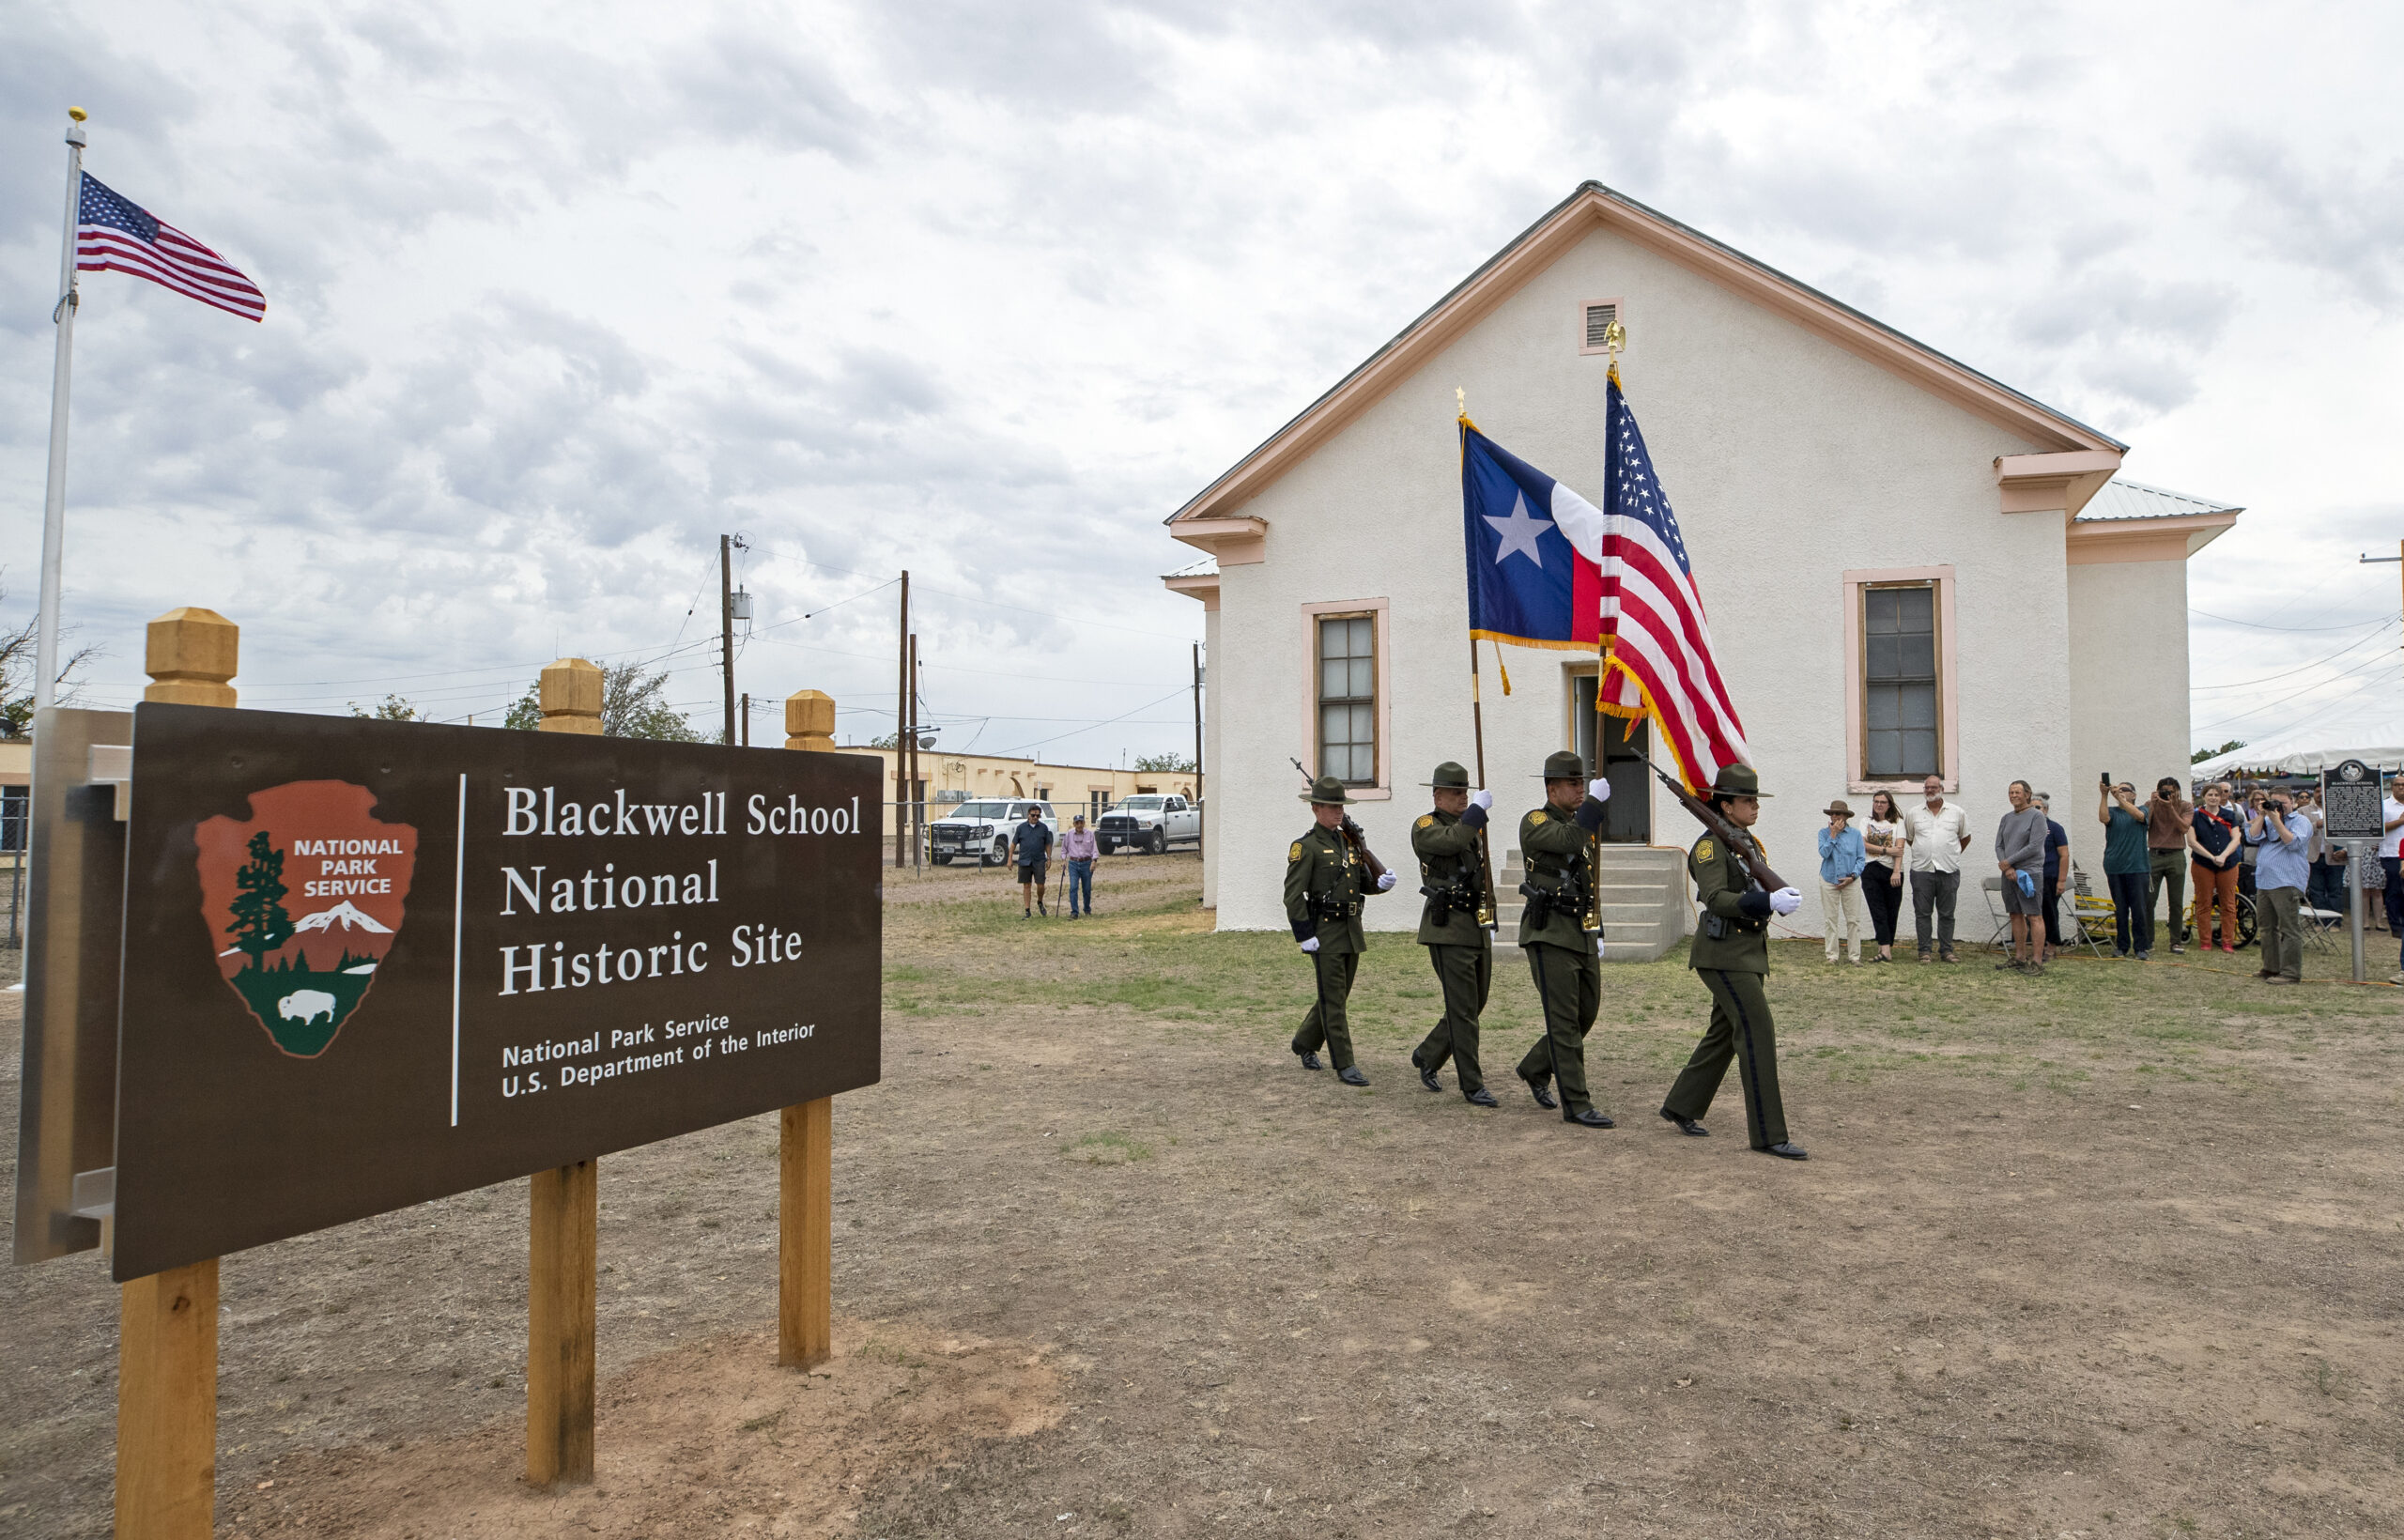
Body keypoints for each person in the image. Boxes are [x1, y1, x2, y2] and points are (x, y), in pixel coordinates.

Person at [1660, 764, 1807, 1159]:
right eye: (1747, 800)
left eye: (1756, 799)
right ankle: (1768, 1134)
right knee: (1758, 1033)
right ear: (1725, 806)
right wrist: (1767, 900)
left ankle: (1682, 1105)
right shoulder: (1709, 847)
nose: (1755, 806)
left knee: (1724, 1034)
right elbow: (1716, 898)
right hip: (1723, 954)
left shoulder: (1747, 842)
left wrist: (1775, 898)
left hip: (1746, 952)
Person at [1513, 750, 1615, 1129]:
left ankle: (1535, 1067)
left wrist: (1598, 926)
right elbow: (1571, 840)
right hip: (1550, 933)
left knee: (1585, 1013)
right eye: (1573, 783)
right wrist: (1593, 805)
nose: (1580, 789)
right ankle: (1577, 1102)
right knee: (1564, 1022)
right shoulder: (1537, 821)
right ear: (1551, 787)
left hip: (1580, 932)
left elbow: (1589, 883)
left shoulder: (1579, 824)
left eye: (1582, 783)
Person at [1285, 775, 1396, 1086]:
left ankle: (1305, 1042)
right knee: (1334, 1001)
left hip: (1351, 930)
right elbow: (1292, 896)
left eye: (1341, 807)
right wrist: (1305, 934)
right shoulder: (1305, 847)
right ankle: (1345, 1064)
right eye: (1333, 807)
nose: (1339, 812)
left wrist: (1380, 883)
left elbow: (1360, 883)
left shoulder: (1349, 843)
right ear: (1316, 809)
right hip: (1324, 933)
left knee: (1336, 996)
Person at [1409, 762, 1499, 1107]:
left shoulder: (1470, 826)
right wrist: (1476, 812)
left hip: (1474, 924)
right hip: (1447, 928)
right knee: (1463, 1010)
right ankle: (1472, 1084)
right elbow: (1452, 842)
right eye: (1456, 792)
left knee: (1475, 1003)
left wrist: (1491, 913)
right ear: (1437, 795)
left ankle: (1429, 1054)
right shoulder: (1426, 826)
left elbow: (1481, 872)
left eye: (1465, 791)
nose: (1463, 797)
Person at [1902, 774, 1972, 962]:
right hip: (1921, 870)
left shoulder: (1957, 812)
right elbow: (1910, 839)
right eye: (1926, 788)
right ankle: (1924, 951)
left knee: (1947, 913)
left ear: (1941, 789)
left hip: (1948, 870)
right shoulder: (1914, 813)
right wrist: (1927, 852)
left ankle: (1946, 950)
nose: (1930, 790)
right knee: (1922, 913)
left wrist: (1950, 854)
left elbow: (1965, 838)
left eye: (1933, 787)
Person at [2245, 787, 2312, 984]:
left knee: (2288, 928)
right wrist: (2262, 814)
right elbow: (2251, 837)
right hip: (2265, 880)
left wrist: (2276, 820)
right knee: (2267, 928)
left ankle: (2291, 972)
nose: (2278, 807)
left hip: (2286, 881)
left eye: (2282, 803)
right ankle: (2270, 967)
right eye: (2274, 802)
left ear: (2293, 803)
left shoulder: (2301, 821)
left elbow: (2292, 843)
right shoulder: (2267, 819)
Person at [1995, 780, 2050, 972]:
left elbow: (2034, 845)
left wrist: (2009, 862)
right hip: (2009, 874)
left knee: (2034, 915)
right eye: (2011, 792)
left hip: (2029, 873)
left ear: (2027, 794)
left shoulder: (2037, 816)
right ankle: (2019, 956)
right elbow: (1999, 845)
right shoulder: (2006, 818)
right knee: (2015, 915)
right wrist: (2006, 867)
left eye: (2017, 792)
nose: (2013, 795)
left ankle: (2036, 961)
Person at [2098, 778, 2152, 959]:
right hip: (2115, 867)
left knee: (2138, 909)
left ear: (2134, 795)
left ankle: (2141, 947)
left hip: (2137, 867)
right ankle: (2121, 946)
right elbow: (2103, 818)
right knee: (2120, 909)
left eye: (2125, 790)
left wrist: (2121, 799)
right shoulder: (2113, 812)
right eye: (2118, 789)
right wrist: (2105, 795)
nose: (2121, 791)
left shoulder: (2142, 809)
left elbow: (2139, 817)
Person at [2187, 781, 2242, 954]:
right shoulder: (2195, 816)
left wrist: (2224, 856)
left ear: (2221, 797)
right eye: (2210, 794)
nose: (2213, 798)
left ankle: (2227, 941)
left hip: (2228, 864)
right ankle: (2205, 940)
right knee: (2204, 902)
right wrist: (2212, 857)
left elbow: (2236, 838)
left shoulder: (2230, 815)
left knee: (2229, 903)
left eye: (2216, 795)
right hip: (2203, 864)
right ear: (2203, 797)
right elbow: (2192, 841)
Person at [2145, 777, 2194, 954]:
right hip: (2154, 854)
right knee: (2149, 900)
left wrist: (2170, 807)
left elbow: (2184, 828)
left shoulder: (2185, 806)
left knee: (2176, 901)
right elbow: (2144, 826)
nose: (2168, 795)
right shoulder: (2151, 804)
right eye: (2165, 792)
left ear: (2177, 791)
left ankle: (2175, 941)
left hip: (2176, 855)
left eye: (2171, 792)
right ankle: (2148, 940)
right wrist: (2152, 804)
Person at [1816, 799, 1868, 963]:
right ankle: (1832, 956)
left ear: (1845, 816)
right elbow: (1824, 853)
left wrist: (1853, 876)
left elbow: (1861, 859)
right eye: (1832, 813)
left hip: (1850, 881)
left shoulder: (1856, 835)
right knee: (1830, 920)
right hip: (1828, 879)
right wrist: (1833, 835)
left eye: (1838, 813)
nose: (1834, 816)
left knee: (1853, 920)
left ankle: (1854, 956)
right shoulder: (1823, 833)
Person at [1860, 790, 1905, 962]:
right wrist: (1886, 850)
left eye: (1883, 802)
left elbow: (1900, 849)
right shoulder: (1866, 821)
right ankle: (1885, 951)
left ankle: (1884, 946)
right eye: (1876, 801)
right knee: (1877, 909)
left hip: (1892, 870)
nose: (1879, 805)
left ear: (1889, 804)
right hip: (1871, 869)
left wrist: (1896, 871)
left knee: (1892, 910)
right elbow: (1863, 844)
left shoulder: (1898, 823)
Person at [2036, 794, 2071, 961]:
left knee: (2049, 913)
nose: (2035, 811)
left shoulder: (2055, 828)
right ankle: (2038, 947)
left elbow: (2064, 855)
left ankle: (2051, 946)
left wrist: (2061, 880)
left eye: (2038, 808)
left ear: (2046, 809)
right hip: (2032, 877)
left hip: (2049, 876)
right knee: (2035, 914)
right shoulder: (2028, 828)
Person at [1011, 805, 1053, 918]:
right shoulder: (1021, 828)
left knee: (1040, 885)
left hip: (1039, 860)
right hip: (1025, 860)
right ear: (1028, 815)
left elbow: (1048, 844)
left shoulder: (1043, 828)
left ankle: (1040, 901)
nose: (1035, 817)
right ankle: (1027, 911)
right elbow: (1014, 844)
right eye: (1033, 815)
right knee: (1027, 885)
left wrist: (1049, 858)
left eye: (1038, 815)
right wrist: (1009, 859)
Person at [1060, 813, 1099, 917]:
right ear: (1074, 824)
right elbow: (1064, 850)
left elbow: (1094, 850)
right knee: (1073, 887)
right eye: (1077, 823)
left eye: (1081, 822)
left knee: (1086, 889)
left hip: (1086, 863)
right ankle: (1074, 912)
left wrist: (1094, 862)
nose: (1079, 825)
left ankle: (1087, 909)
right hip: (1073, 863)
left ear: (1084, 823)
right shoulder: (1068, 834)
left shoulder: (1090, 834)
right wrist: (1063, 860)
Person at [2381, 775, 2404, 938]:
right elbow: (2378, 829)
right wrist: (2400, 821)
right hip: (2391, 853)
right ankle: (2395, 926)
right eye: (2398, 785)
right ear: (2392, 786)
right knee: (2394, 891)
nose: (2401, 788)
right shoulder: (2384, 805)